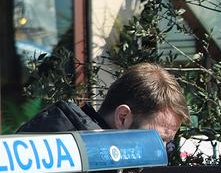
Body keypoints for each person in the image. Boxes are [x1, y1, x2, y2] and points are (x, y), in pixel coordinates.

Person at [20, 62, 188, 144]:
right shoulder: (87, 166)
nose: (163, 154)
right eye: (158, 140)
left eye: (168, 143)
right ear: (122, 117)